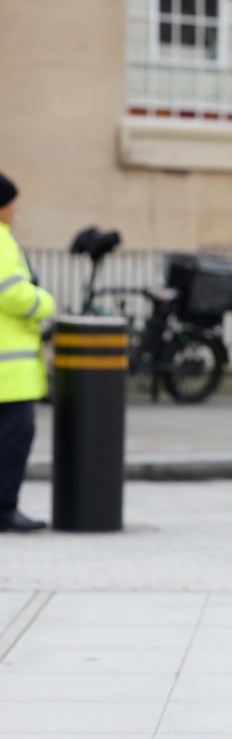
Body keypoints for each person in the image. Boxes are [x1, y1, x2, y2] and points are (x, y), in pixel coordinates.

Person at [0, 172, 55, 532]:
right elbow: (12, 292)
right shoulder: (1, 240)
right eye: (12, 201)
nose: (17, 208)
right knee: (13, 443)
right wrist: (45, 303)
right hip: (10, 375)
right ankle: (5, 508)